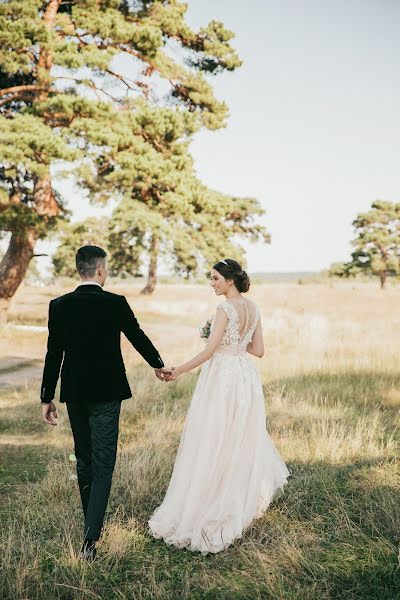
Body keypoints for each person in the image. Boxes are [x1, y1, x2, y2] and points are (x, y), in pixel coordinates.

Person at [148, 259, 292, 554]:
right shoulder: (254, 308)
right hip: (244, 375)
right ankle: (234, 494)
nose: (212, 284)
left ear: (229, 280)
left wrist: (178, 370)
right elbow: (259, 351)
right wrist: (234, 342)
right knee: (237, 436)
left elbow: (209, 352)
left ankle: (209, 499)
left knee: (213, 435)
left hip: (222, 377)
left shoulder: (224, 309)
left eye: (215, 279)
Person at [40, 245, 171, 561]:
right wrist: (158, 363)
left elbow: (53, 352)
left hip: (74, 391)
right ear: (100, 270)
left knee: (84, 459)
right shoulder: (115, 303)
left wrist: (47, 397)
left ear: (78, 270)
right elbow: (136, 335)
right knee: (103, 463)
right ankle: (90, 540)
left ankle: (90, 529)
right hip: (108, 391)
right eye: (106, 268)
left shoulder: (58, 305)